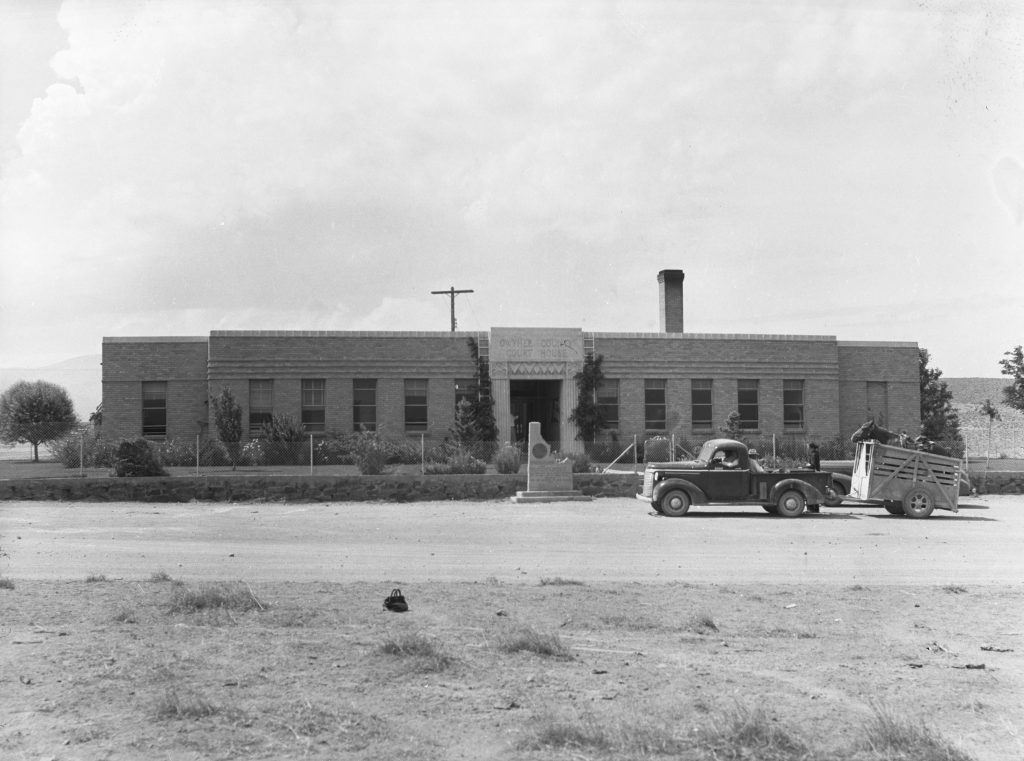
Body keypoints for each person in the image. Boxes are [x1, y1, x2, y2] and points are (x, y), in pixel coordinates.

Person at [806, 443, 821, 513]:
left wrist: (807, 466)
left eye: (808, 447)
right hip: (815, 474)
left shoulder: (813, 454)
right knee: (814, 491)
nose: (807, 448)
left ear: (811, 448)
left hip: (813, 475)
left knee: (810, 491)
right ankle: (815, 509)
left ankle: (811, 509)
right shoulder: (814, 453)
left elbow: (813, 465)